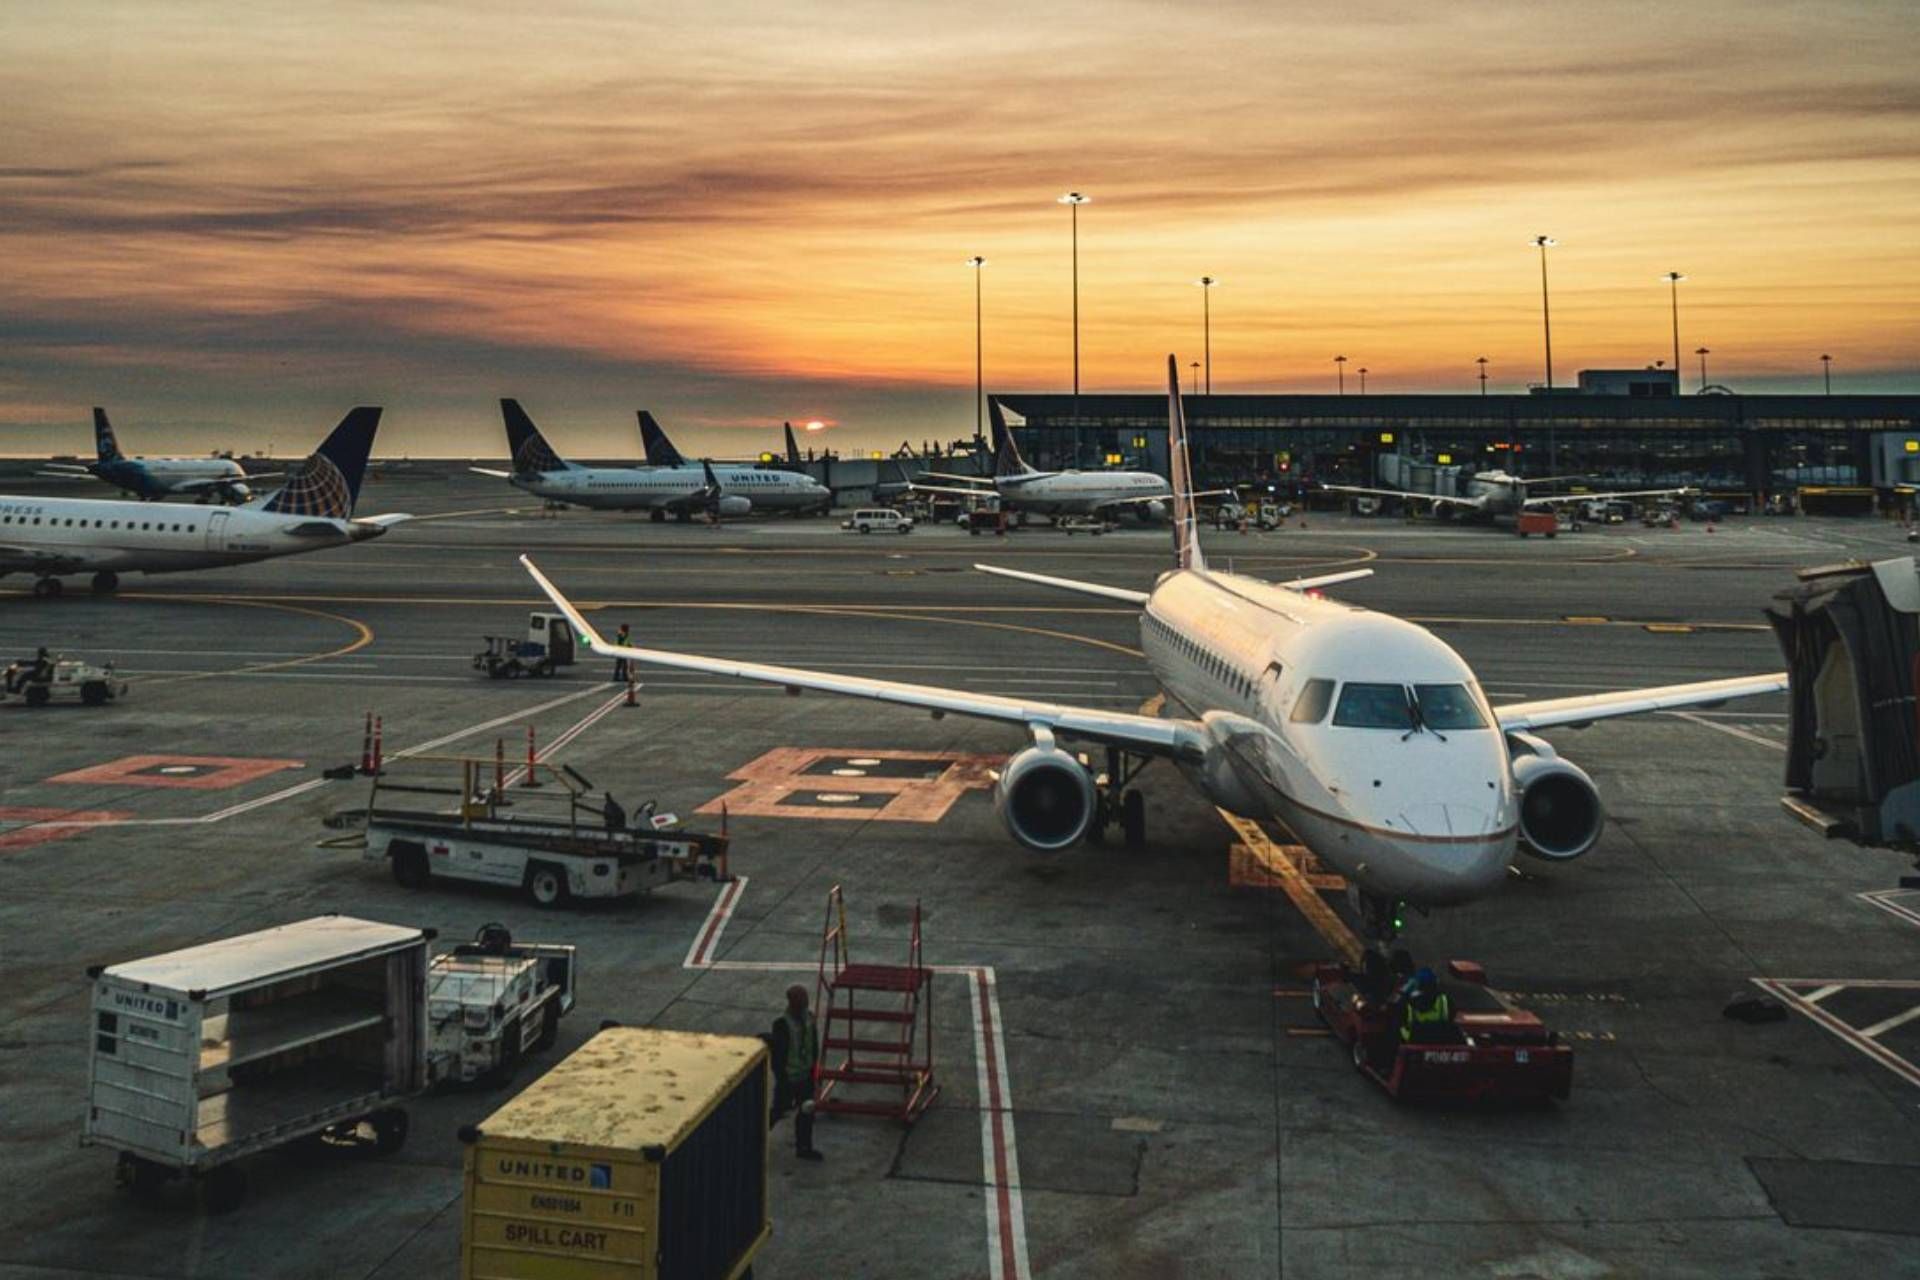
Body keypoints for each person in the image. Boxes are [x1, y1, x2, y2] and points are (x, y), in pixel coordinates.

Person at [768, 984, 823, 1160]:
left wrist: (814, 1069)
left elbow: (813, 1045)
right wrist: (782, 1077)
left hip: (805, 1075)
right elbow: (778, 1056)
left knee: (806, 1112)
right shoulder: (782, 1025)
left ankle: (804, 1147)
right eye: (801, 1001)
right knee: (778, 1111)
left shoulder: (809, 1019)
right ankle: (754, 1141)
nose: (805, 1005)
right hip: (789, 1077)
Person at [1398, 967, 1454, 1044]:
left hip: (1413, 1046)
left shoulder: (1406, 1003)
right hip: (1440, 1045)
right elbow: (1451, 1017)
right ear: (1435, 983)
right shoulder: (1445, 1001)